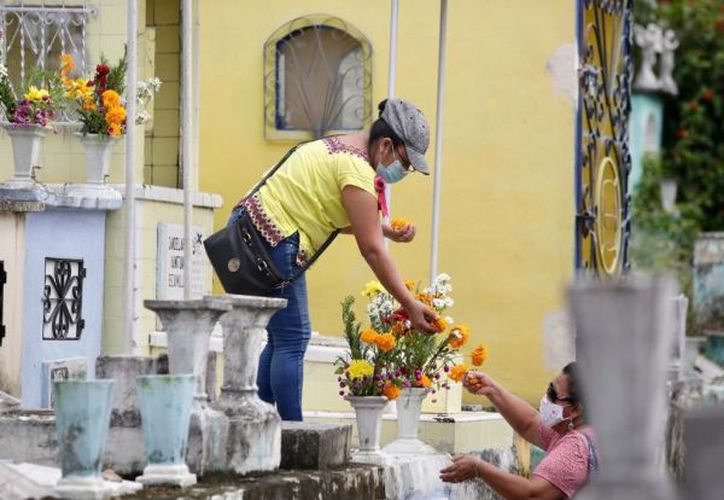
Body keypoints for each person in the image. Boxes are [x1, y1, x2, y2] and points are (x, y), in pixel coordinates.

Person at [227, 98, 439, 421]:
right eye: (405, 163)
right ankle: (290, 435)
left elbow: (333, 214)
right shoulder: (357, 169)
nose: (404, 171)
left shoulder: (342, 146)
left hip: (253, 230)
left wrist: (384, 229)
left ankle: (256, 423)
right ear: (386, 146)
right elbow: (372, 250)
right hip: (274, 239)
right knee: (294, 337)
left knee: (280, 337)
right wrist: (409, 304)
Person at [440, 362, 597, 499]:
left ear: (576, 410)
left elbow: (532, 495)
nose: (546, 399)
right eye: (549, 389)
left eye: (553, 394)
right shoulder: (576, 430)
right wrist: (491, 389)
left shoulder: (576, 446)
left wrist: (479, 468)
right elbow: (529, 423)